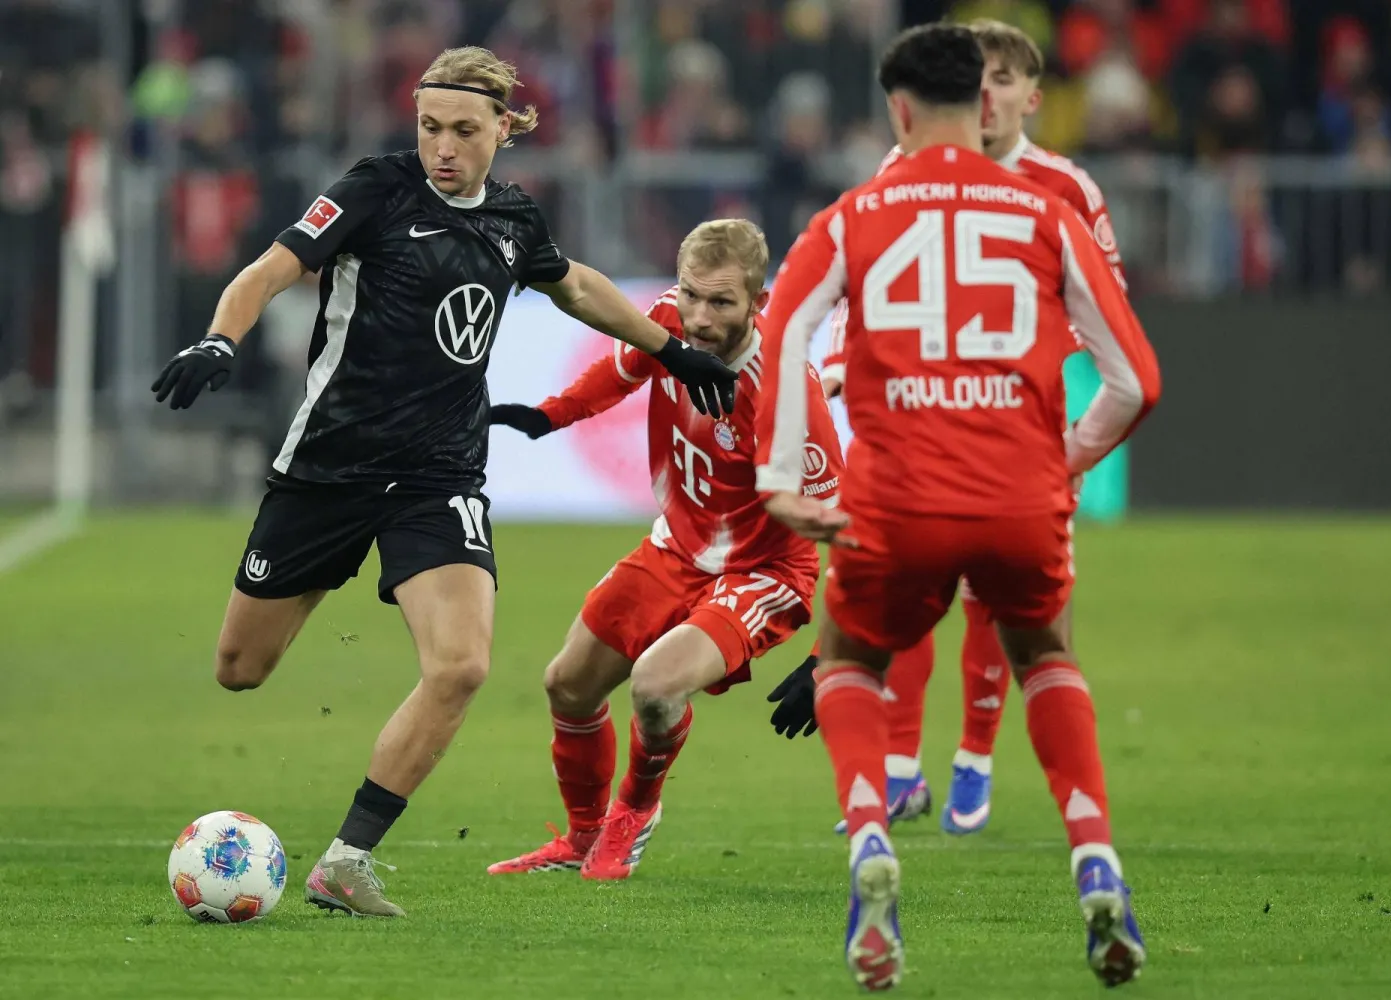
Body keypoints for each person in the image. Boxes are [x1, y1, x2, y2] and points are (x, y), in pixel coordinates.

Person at [149, 46, 738, 917]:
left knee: (461, 666)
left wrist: (672, 349)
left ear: (505, 129)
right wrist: (220, 338)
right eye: (430, 127)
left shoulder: (512, 218)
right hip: (330, 469)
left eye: (464, 130)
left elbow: (573, 287)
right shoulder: (372, 190)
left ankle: (347, 860)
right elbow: (272, 270)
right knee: (241, 668)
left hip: (440, 472)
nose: (443, 147)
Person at [753, 24, 1160, 990]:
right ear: (987, 103)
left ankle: (869, 843)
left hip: (895, 498)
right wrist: (1061, 466)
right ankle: (1095, 857)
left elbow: (782, 329)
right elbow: (1137, 380)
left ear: (898, 109)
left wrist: (781, 478)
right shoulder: (1048, 209)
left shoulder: (853, 215)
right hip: (1020, 493)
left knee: (850, 660)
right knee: (1046, 654)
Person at [483, 219, 842, 880]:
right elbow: (617, 372)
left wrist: (829, 656)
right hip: (676, 548)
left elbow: (845, 529)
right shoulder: (666, 327)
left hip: (766, 571)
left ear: (758, 305)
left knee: (654, 686)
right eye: (690, 296)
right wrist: (548, 415)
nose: (699, 318)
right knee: (566, 685)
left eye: (721, 302)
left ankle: (634, 814)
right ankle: (582, 838)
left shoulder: (789, 392)